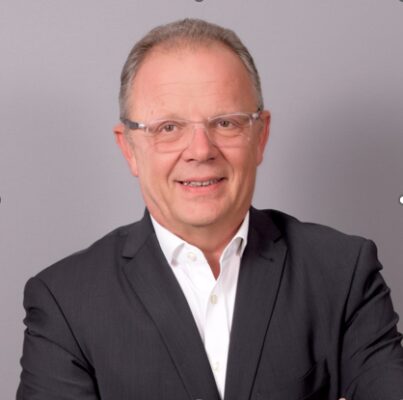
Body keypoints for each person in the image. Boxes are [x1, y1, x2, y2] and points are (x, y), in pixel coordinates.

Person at [17, 18, 403, 400]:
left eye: (225, 123)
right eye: (168, 128)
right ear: (129, 148)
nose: (201, 151)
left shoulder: (343, 272)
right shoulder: (65, 301)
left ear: (260, 136)